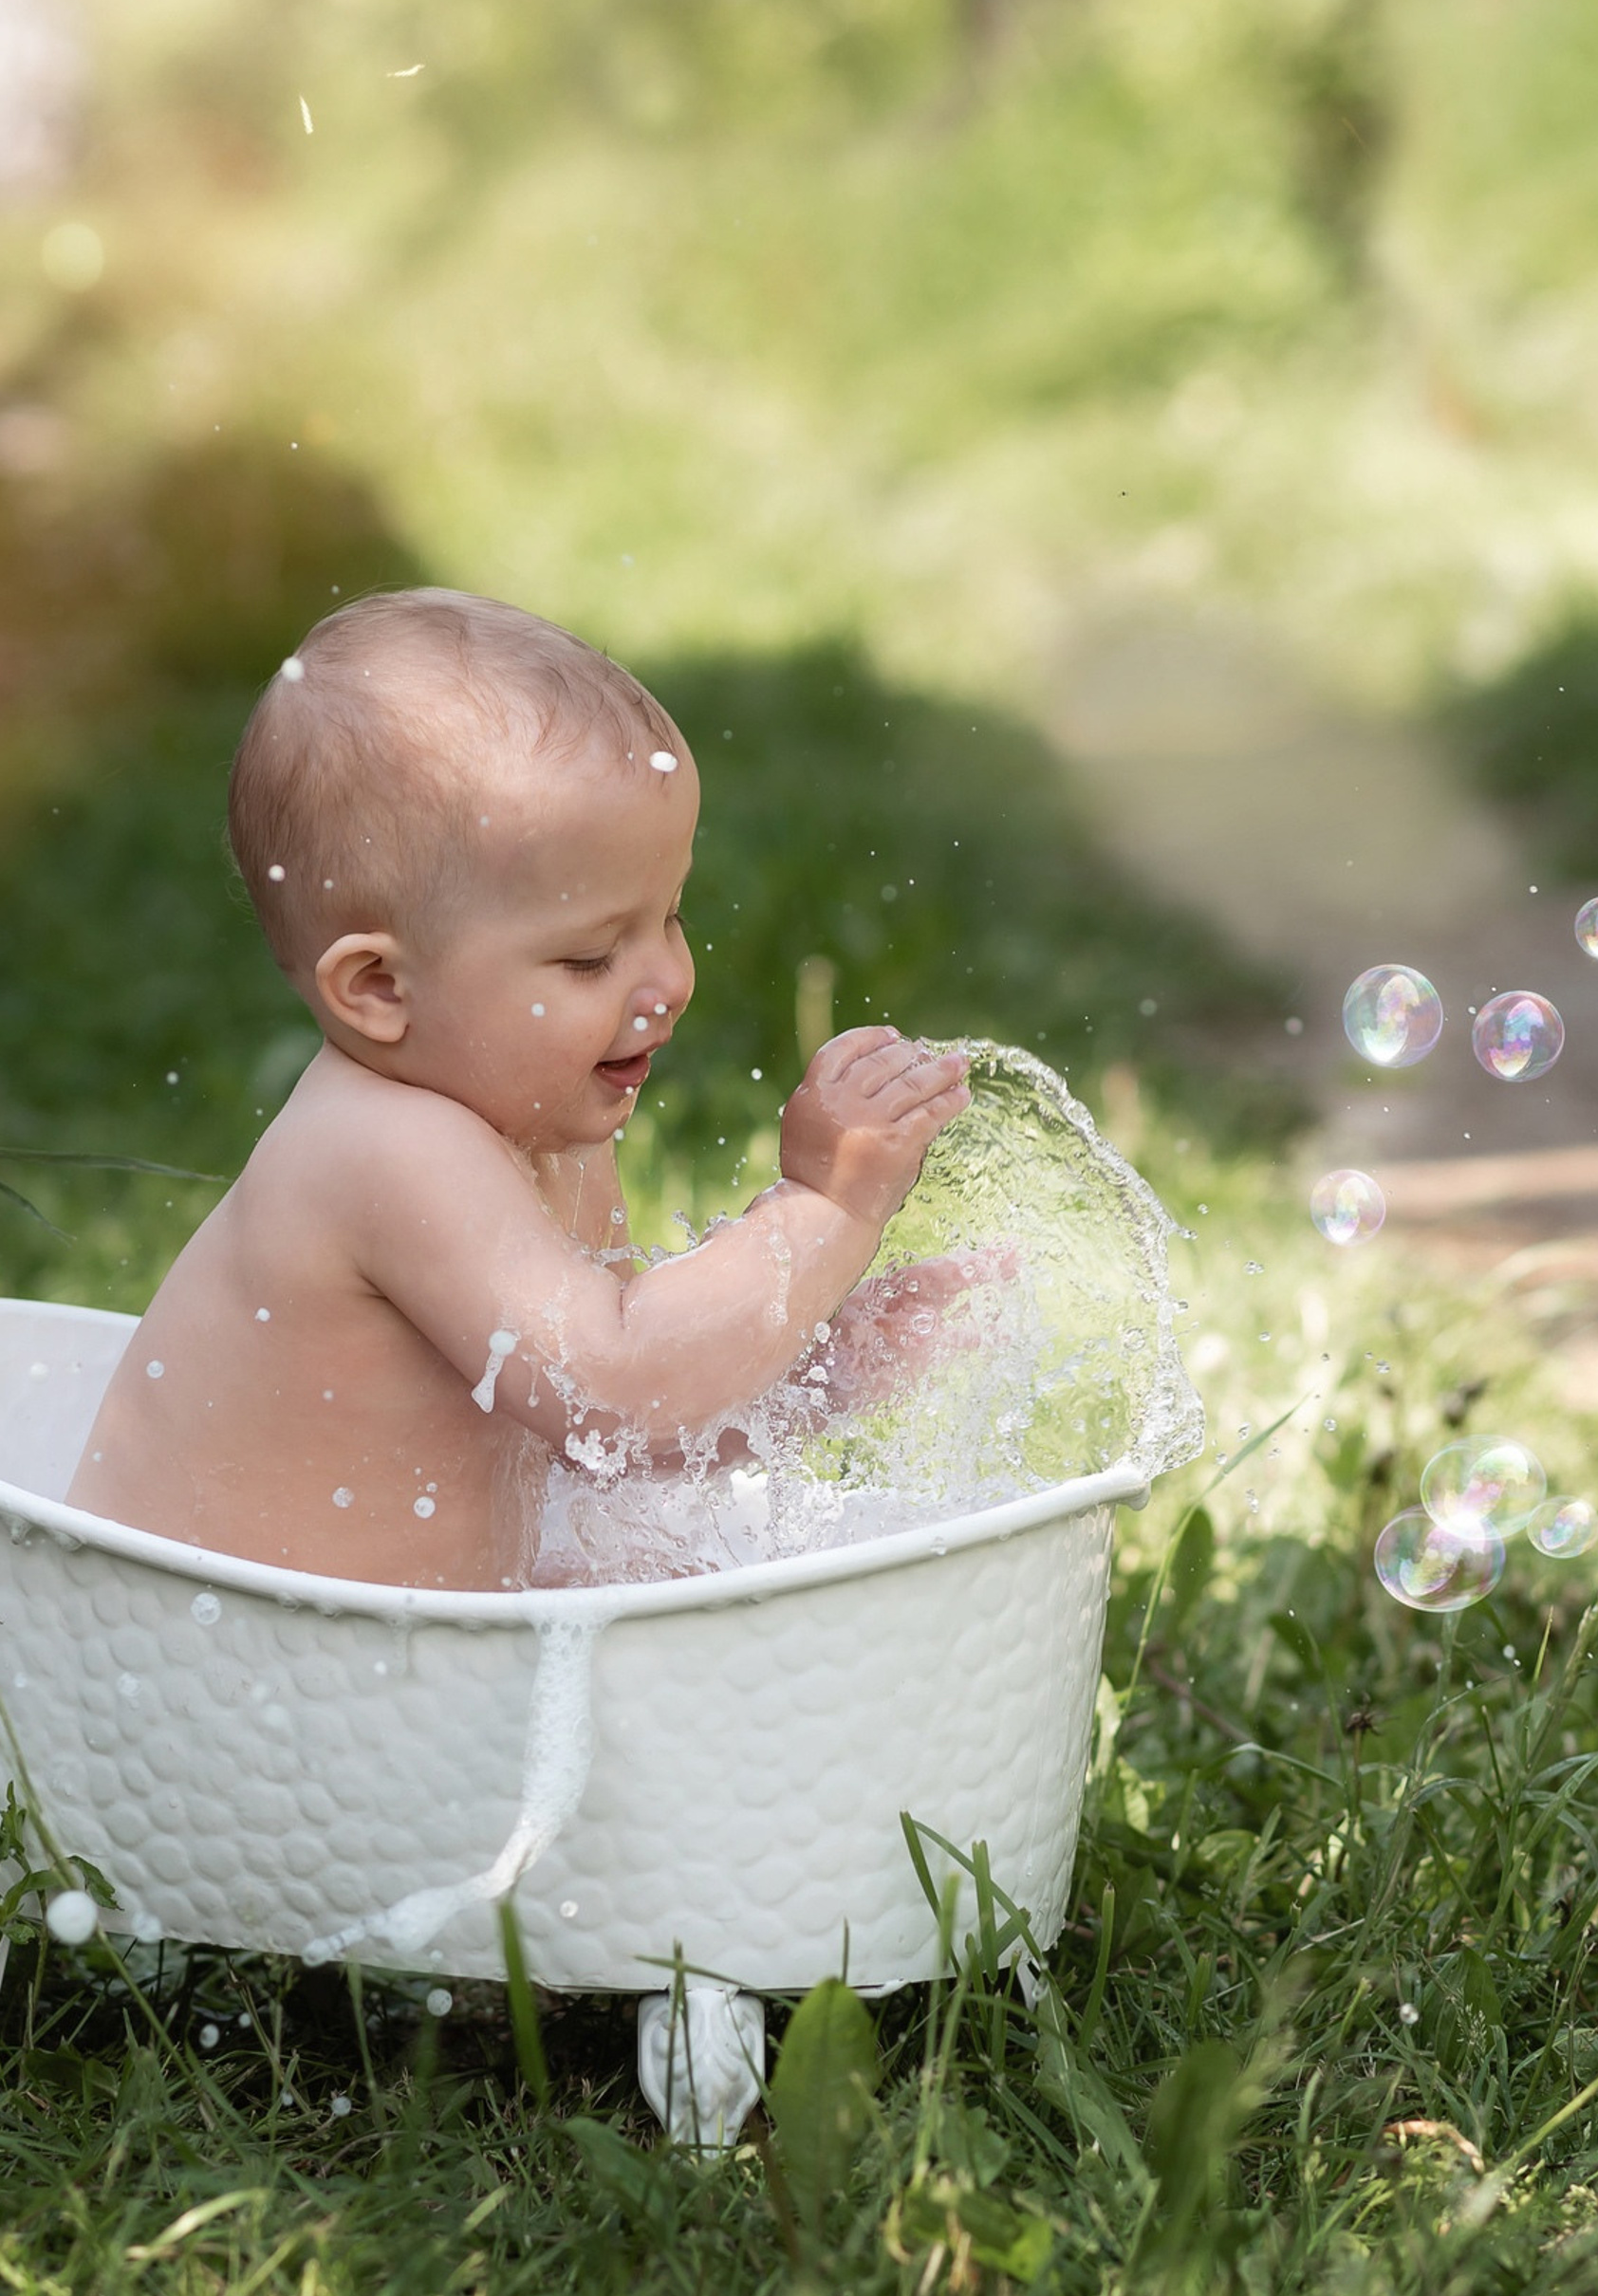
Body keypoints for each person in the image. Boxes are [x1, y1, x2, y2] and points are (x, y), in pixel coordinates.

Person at [66, 588, 970, 1585]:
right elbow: (618, 1386)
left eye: (670, 916)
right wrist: (823, 1207)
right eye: (590, 958)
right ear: (379, 989)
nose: (670, 981)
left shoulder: (553, 1144)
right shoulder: (383, 1151)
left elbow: (599, 1439)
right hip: (202, 1644)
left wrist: (816, 1369)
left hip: (389, 1654)